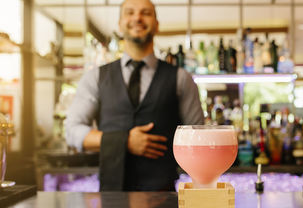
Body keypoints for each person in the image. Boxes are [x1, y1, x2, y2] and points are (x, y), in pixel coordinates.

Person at [65, 0, 204, 191]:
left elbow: (198, 138)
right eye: (129, 13)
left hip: (163, 198)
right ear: (120, 24)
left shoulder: (181, 78)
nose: (137, 18)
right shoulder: (95, 77)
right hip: (111, 196)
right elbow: (72, 131)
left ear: (156, 24)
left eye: (145, 13)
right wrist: (124, 142)